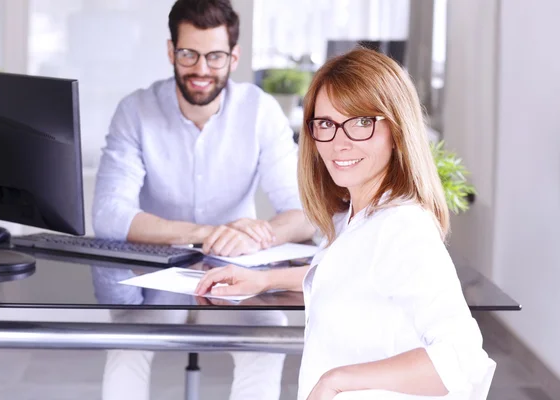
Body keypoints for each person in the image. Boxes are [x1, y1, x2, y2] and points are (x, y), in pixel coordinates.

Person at [195, 47, 492, 400]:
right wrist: (265, 279)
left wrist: (338, 379)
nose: (339, 142)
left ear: (396, 131)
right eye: (326, 124)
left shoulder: (402, 228)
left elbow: (461, 359)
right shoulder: (357, 216)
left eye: (361, 122)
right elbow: (347, 275)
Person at [92, 0, 315, 399]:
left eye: (214, 56)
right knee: (125, 346)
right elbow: (110, 215)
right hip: (156, 273)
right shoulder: (136, 111)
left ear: (234, 57)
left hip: (239, 270)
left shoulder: (260, 111)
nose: (200, 69)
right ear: (170, 51)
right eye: (188, 54)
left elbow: (306, 212)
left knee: (268, 341)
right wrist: (210, 232)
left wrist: (257, 234)